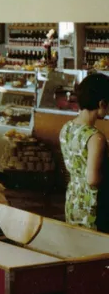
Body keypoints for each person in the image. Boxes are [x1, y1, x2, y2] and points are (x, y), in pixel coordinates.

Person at [61, 73, 109, 233]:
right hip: (92, 204)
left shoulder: (67, 127)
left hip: (73, 199)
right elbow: (93, 179)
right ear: (102, 103)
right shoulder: (96, 137)